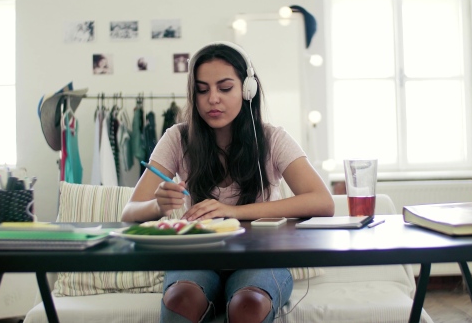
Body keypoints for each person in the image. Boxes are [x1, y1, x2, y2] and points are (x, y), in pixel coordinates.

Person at [121, 41, 334, 323]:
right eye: (202, 90)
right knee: (180, 300)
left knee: (248, 305)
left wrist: (233, 211)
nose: (212, 99)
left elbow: (322, 201)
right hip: (197, 259)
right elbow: (129, 213)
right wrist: (157, 206)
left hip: (260, 260)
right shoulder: (177, 138)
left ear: (248, 90)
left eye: (224, 88)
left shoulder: (272, 139)